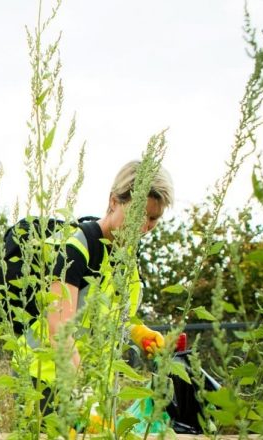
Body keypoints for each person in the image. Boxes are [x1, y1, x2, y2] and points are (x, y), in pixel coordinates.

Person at [25, 160, 173, 413]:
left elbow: (111, 318)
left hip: (97, 387)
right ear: (114, 201)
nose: (143, 226)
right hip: (50, 386)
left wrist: (139, 332)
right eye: (137, 213)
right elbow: (58, 327)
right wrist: (81, 397)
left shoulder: (125, 259)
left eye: (152, 218)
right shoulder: (78, 246)